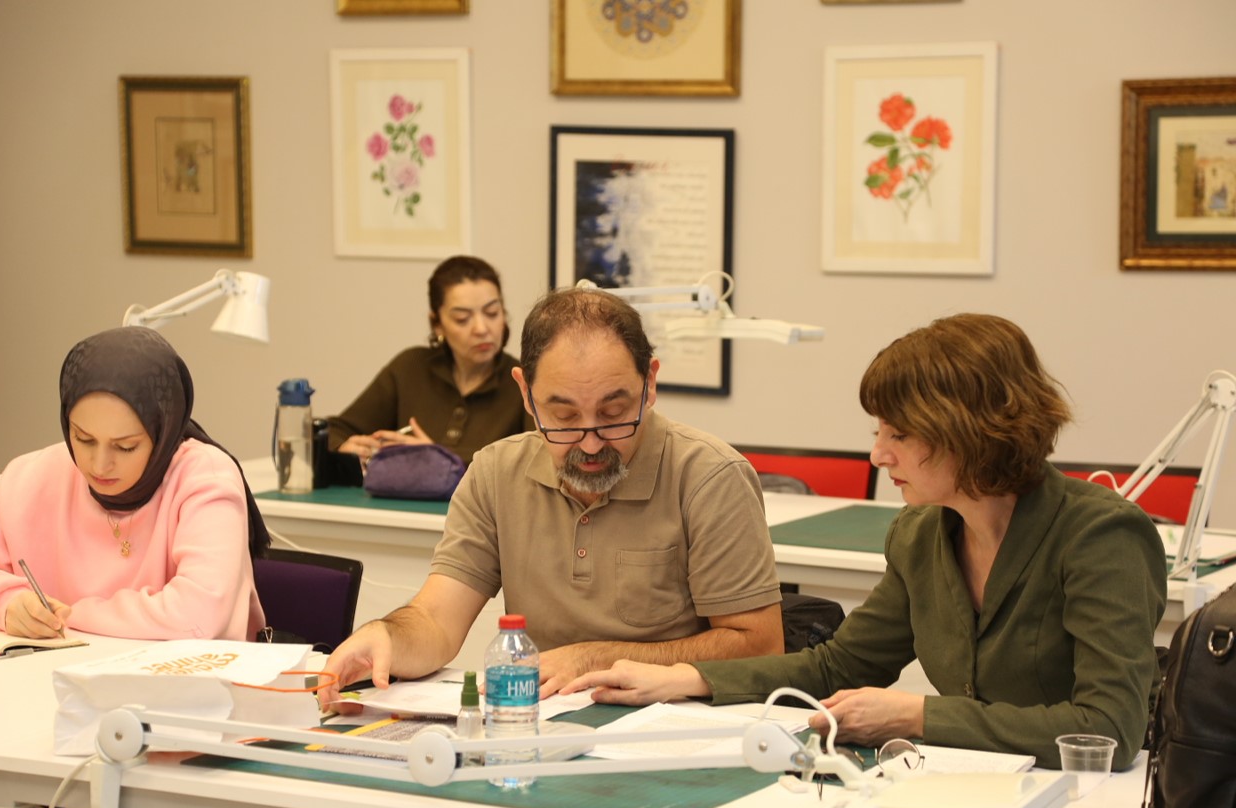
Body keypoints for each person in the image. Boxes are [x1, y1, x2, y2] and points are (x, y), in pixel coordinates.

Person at [566, 313, 1167, 771]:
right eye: (878, 431)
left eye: (900, 434)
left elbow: (1108, 729)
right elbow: (840, 663)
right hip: (975, 785)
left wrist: (917, 714)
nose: (879, 454)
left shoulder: (1100, 537)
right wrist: (692, 680)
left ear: (971, 432)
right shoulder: (921, 534)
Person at [320, 286, 784, 705]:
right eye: (562, 418)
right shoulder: (495, 473)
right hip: (544, 725)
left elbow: (760, 646)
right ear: (525, 394)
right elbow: (436, 622)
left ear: (651, 384)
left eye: (614, 412)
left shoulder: (709, 477)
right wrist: (386, 636)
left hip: (677, 729)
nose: (591, 442)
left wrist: (591, 659)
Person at [0, 326, 269, 641]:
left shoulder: (206, 479)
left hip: (188, 687)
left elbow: (198, 616)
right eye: (83, 438)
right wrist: (5, 605)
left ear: (164, 432)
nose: (99, 464)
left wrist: (68, 614)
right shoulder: (27, 481)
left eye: (125, 446)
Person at [328, 255, 533, 467]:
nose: (481, 329)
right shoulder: (409, 368)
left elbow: (533, 463)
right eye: (462, 318)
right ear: (437, 324)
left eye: (492, 313)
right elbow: (334, 431)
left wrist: (439, 459)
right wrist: (344, 448)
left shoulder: (522, 382)